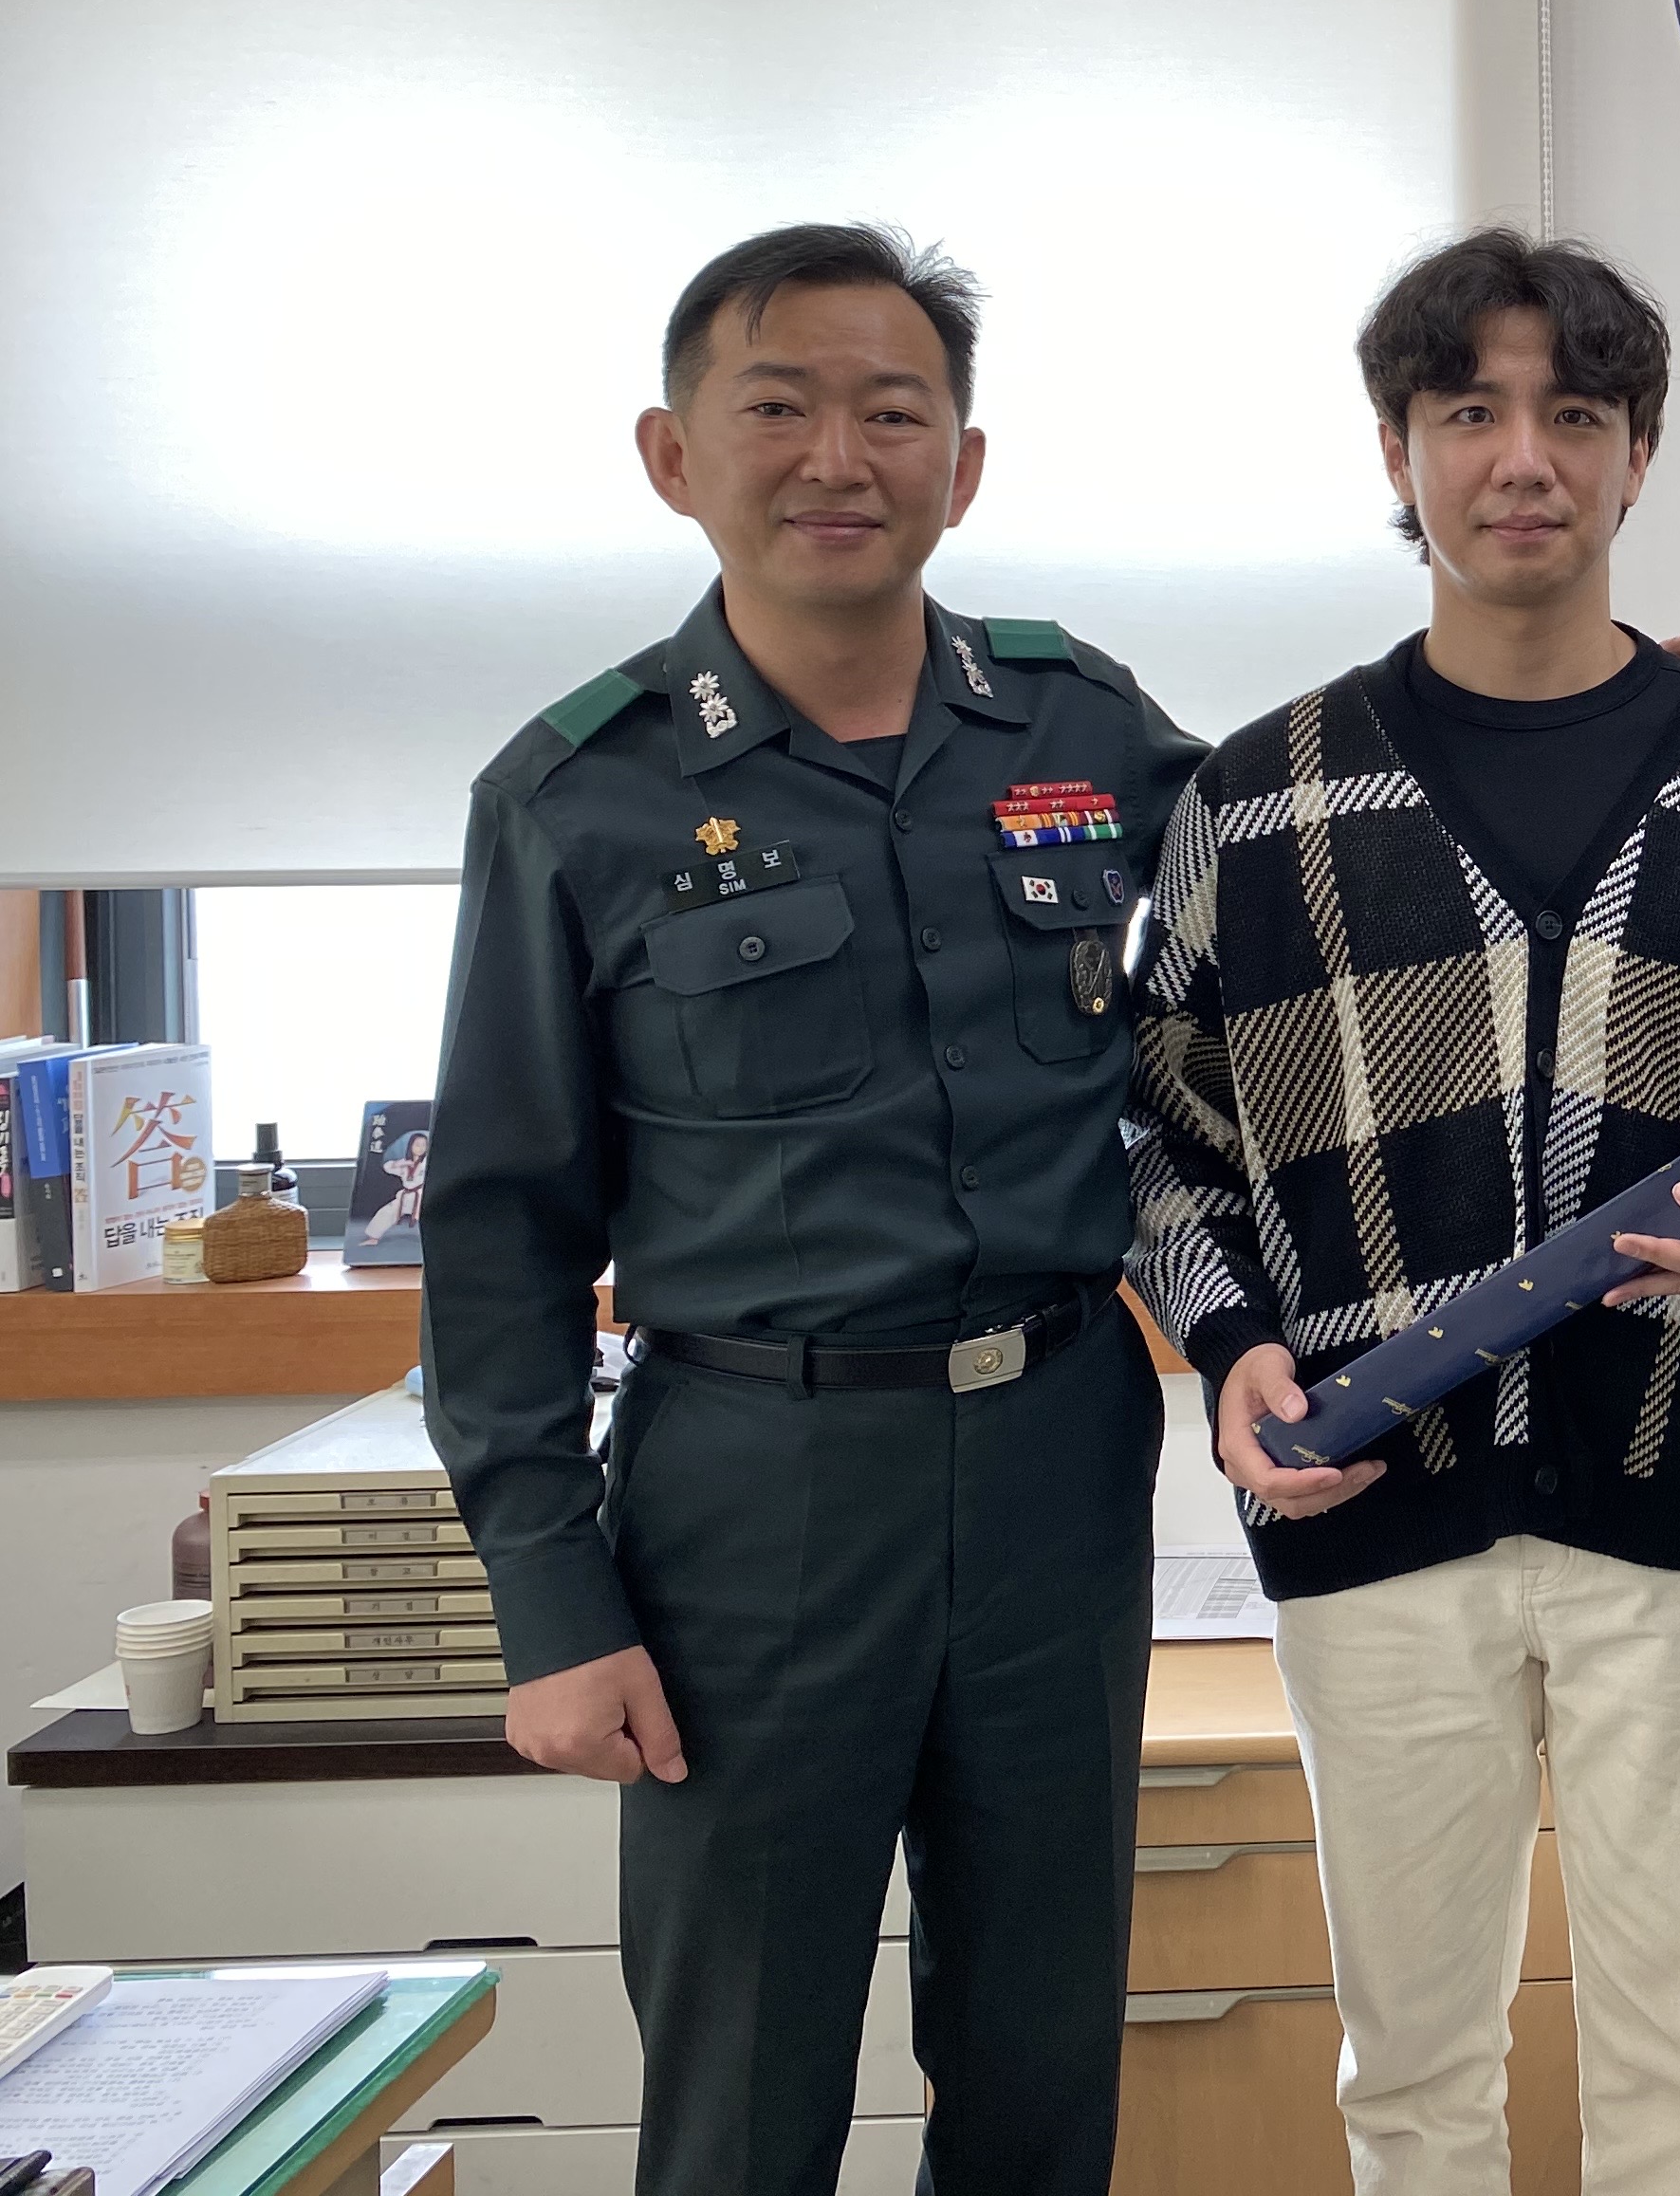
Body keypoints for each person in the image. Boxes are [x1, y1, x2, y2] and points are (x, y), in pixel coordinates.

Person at [1123, 230, 1680, 2196]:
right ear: (1395, 448)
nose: (1522, 459)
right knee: (1412, 2073)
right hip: (1367, 1489)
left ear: (1637, 454)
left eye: (1574, 413)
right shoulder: (1261, 798)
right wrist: (1231, 1350)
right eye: (1468, 411)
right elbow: (1162, 1139)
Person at [419, 224, 1206, 2194]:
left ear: (965, 464)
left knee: (1042, 2063)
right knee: (747, 2087)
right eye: (778, 406)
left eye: (892, 413)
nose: (838, 458)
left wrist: (1609, 711)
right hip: (752, 1494)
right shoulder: (578, 794)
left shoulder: (1082, 726)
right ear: (674, 455)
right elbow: (502, 1232)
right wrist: (551, 1604)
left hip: (1054, 1457)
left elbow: (1327, 863)